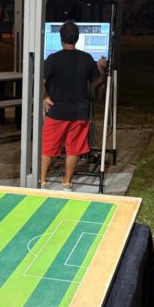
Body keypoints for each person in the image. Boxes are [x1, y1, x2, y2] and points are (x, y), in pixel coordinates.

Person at [40, 21, 107, 190]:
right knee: (74, 149)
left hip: (57, 111)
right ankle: (67, 182)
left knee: (48, 147)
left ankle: (42, 181)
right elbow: (98, 81)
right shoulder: (87, 58)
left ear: (61, 39)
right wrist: (101, 68)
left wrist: (46, 97)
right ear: (77, 38)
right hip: (79, 112)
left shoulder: (53, 58)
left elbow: (42, 80)